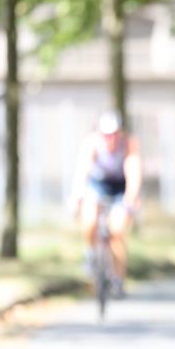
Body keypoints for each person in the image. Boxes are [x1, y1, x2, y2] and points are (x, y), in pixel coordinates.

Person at [72, 111, 142, 296]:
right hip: (98, 184)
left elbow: (133, 171)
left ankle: (118, 279)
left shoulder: (128, 144)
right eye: (106, 135)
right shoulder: (91, 144)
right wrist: (77, 195)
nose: (110, 139)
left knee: (117, 232)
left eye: (113, 134)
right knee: (90, 219)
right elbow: (83, 171)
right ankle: (90, 253)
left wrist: (131, 197)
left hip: (120, 186)